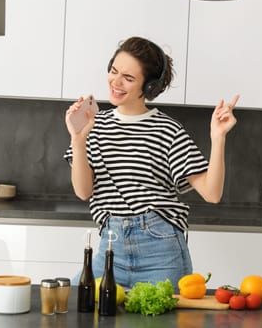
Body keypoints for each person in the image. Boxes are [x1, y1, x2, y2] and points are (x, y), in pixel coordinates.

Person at [64, 36, 239, 288]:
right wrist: (78, 139)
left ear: (149, 88)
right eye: (114, 71)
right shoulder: (94, 125)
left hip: (161, 253)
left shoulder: (167, 130)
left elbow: (212, 194)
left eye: (129, 78)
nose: (116, 81)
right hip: (111, 250)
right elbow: (83, 191)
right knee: (75, 303)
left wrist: (218, 137)